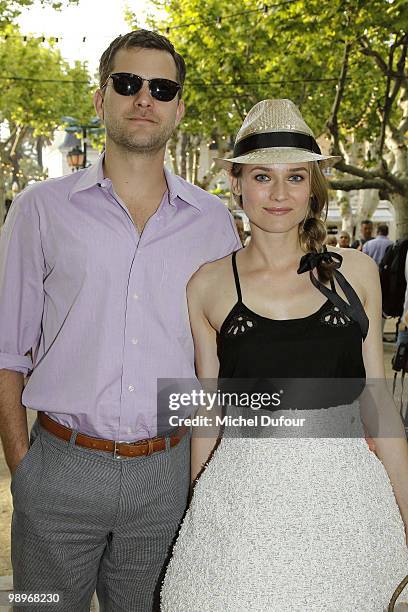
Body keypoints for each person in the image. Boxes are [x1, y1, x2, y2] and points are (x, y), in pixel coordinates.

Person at [0, 30, 240, 611]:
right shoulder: (39, 209)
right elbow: (7, 352)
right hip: (58, 468)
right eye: (128, 83)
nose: (144, 99)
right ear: (100, 96)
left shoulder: (214, 223)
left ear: (179, 107)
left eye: (162, 88)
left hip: (166, 474)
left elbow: (225, 364)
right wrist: (23, 473)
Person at [161, 99, 408, 611]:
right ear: (236, 182)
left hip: (348, 504)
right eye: (261, 177)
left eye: (295, 177)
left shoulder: (356, 274)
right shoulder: (207, 285)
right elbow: (208, 415)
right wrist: (198, 513)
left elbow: (380, 406)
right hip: (242, 502)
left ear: (312, 185)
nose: (278, 194)